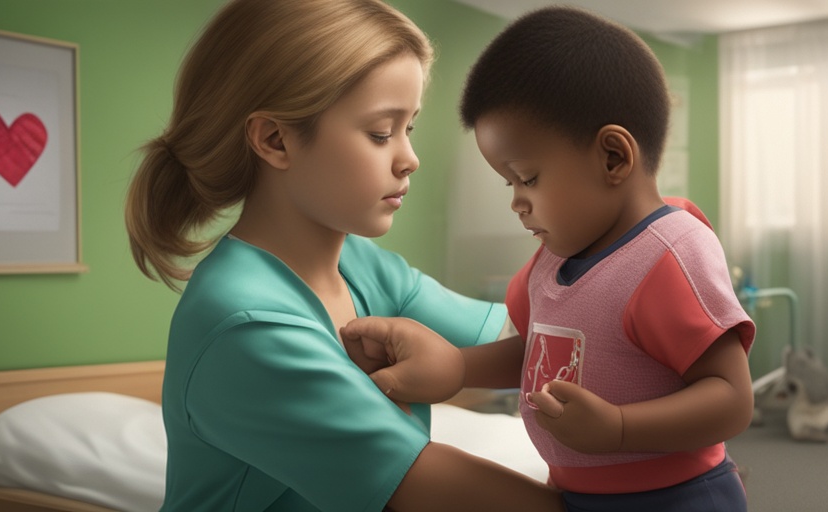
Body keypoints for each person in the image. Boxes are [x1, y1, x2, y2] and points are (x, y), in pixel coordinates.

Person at [123, 0, 564, 510]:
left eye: (409, 128)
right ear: (274, 140)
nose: (410, 159)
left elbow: (538, 342)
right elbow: (421, 483)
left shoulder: (362, 265)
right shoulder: (243, 324)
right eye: (381, 132)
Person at [357, 6, 756, 511]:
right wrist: (456, 367)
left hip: (675, 500)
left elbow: (731, 396)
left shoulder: (668, 256)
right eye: (510, 183)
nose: (516, 202)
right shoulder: (554, 257)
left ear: (613, 157)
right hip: (575, 493)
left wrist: (619, 428)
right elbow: (540, 355)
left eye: (528, 178)